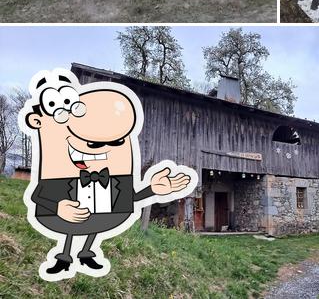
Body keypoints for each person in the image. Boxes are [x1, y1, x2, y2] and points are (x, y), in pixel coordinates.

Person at [20, 68, 197, 281]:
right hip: (63, 214)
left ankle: (86, 252)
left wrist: (153, 190)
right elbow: (36, 196)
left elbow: (127, 199)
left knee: (96, 220)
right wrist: (57, 207)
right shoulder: (57, 174)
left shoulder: (114, 177)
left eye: (115, 142)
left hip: (101, 215)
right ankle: (64, 257)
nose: (101, 148)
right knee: (73, 224)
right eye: (94, 143)